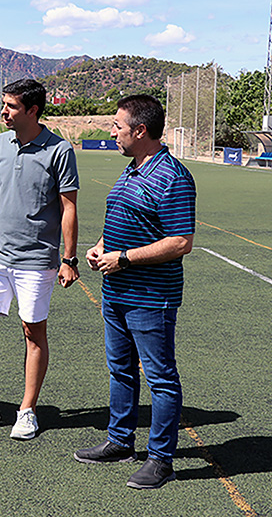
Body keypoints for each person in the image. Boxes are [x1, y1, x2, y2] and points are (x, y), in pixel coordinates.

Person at [74, 94, 196, 490]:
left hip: (150, 296)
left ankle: (161, 460)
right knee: (121, 369)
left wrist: (123, 259)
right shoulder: (132, 170)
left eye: (117, 126)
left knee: (160, 378)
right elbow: (124, 218)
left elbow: (180, 242)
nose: (111, 131)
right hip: (117, 292)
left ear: (140, 130)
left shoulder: (173, 176)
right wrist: (100, 245)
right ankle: (120, 441)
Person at [0, 78, 80, 440]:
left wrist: (68, 258)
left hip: (37, 259)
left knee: (32, 332)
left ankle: (27, 410)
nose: (3, 112)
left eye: (10, 106)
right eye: (4, 104)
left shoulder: (59, 151)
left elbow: (68, 208)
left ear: (33, 110)